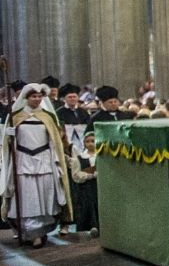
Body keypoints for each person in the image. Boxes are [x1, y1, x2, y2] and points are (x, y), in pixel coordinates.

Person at [1, 83, 72, 248]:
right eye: (34, 96)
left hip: (44, 160)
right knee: (27, 196)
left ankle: (40, 232)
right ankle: (30, 233)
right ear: (26, 98)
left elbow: (54, 140)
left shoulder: (47, 117)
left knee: (44, 194)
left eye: (40, 96)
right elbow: (8, 143)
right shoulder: (15, 116)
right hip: (23, 161)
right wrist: (9, 135)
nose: (37, 99)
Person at [67, 131, 100, 237]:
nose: (90, 144)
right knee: (88, 206)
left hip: (99, 187)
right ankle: (91, 226)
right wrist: (89, 176)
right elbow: (76, 174)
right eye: (87, 141)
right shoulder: (80, 158)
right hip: (87, 188)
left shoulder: (101, 156)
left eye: (93, 141)